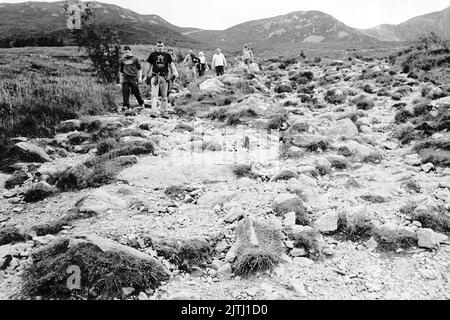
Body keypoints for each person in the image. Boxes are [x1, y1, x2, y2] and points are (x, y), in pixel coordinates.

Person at [144, 40, 179, 118]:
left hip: (164, 77)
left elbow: (171, 64)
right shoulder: (152, 55)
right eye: (158, 46)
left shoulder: (167, 55)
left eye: (161, 46)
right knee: (154, 95)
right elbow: (148, 66)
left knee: (164, 96)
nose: (160, 47)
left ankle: (163, 112)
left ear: (164, 46)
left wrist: (175, 72)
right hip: (155, 76)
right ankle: (153, 112)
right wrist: (145, 76)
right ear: (157, 46)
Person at [119, 46, 144, 110]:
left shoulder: (135, 59)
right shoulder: (122, 60)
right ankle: (126, 105)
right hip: (125, 77)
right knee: (125, 91)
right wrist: (121, 79)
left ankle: (141, 102)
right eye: (125, 52)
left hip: (133, 77)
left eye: (127, 52)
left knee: (135, 91)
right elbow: (121, 71)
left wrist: (140, 77)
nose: (126, 53)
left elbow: (140, 69)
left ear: (130, 51)